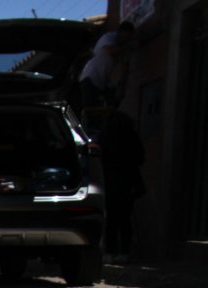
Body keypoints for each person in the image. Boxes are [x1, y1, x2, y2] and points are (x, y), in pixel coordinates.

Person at [100, 110, 144, 261]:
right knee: (125, 219)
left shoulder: (105, 137)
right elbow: (140, 158)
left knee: (111, 219)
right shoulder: (131, 137)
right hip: (127, 183)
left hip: (110, 182)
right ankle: (124, 251)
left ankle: (110, 251)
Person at [79, 21, 135, 110]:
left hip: (102, 82)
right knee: (90, 108)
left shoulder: (123, 47)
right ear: (119, 32)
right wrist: (129, 47)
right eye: (125, 37)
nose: (125, 40)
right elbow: (109, 51)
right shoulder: (109, 37)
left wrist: (122, 86)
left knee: (112, 100)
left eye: (128, 38)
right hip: (89, 77)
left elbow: (125, 67)